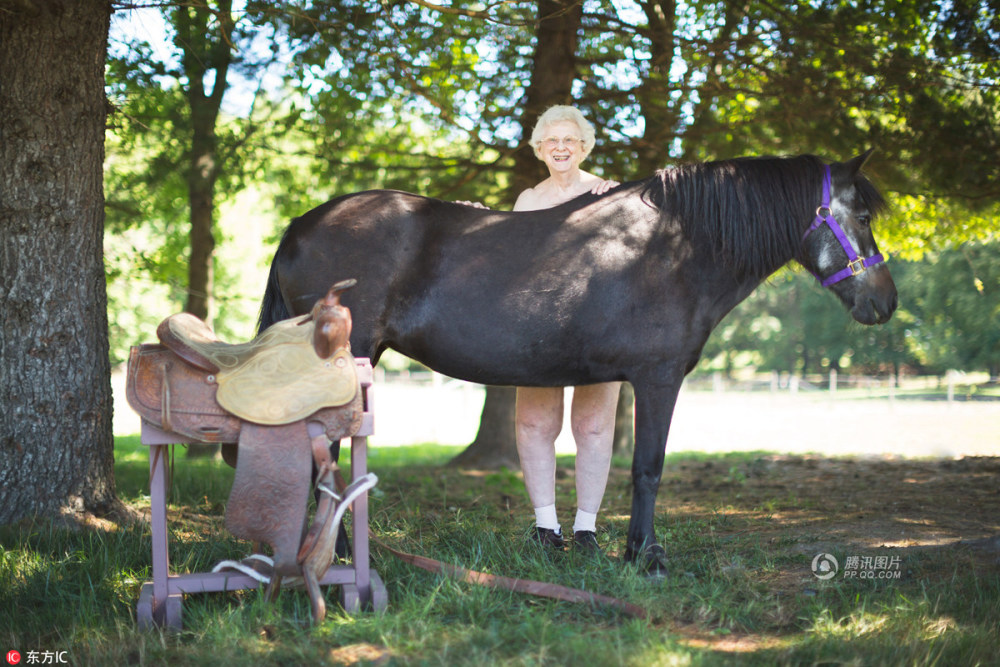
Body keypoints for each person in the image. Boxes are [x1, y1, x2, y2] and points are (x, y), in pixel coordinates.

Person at [511, 105, 621, 555]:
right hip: (540, 323)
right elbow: (509, 265)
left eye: (569, 140)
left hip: (598, 324)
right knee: (536, 422)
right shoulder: (528, 202)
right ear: (540, 149)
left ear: (583, 147)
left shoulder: (607, 193)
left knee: (593, 426)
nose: (560, 147)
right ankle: (545, 527)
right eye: (551, 140)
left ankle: (587, 529)